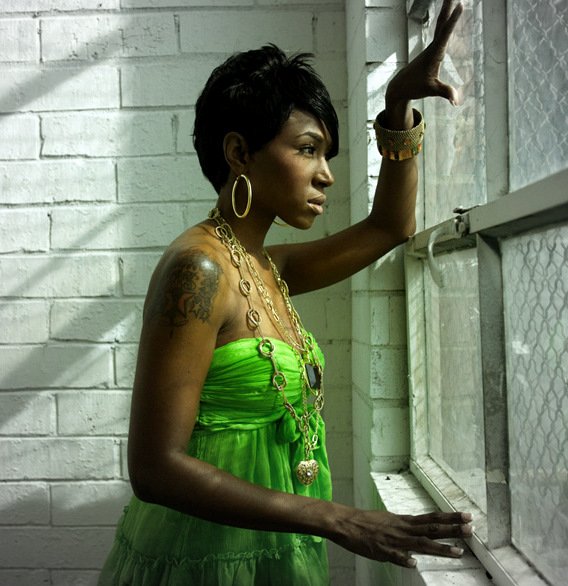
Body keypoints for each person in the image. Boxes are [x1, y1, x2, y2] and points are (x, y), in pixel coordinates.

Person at [98, 1, 471, 584]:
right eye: (307, 149)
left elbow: (390, 227)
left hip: (277, 550)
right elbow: (154, 468)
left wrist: (397, 104)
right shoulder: (199, 270)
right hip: (206, 561)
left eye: (327, 154)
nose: (326, 174)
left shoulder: (265, 267)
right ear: (239, 153)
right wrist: (338, 518)